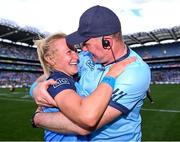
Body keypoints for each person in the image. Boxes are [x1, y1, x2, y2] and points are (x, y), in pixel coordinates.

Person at [31, 5, 151, 141]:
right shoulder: (87, 56)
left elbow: (87, 124)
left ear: (107, 43)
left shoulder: (133, 73)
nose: (83, 50)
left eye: (86, 43)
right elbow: (58, 72)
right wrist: (37, 88)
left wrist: (38, 119)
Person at [32, 32, 135, 141]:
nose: (76, 56)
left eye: (75, 51)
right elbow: (84, 122)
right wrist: (111, 74)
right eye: (68, 52)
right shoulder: (59, 81)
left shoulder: (70, 77)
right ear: (50, 59)